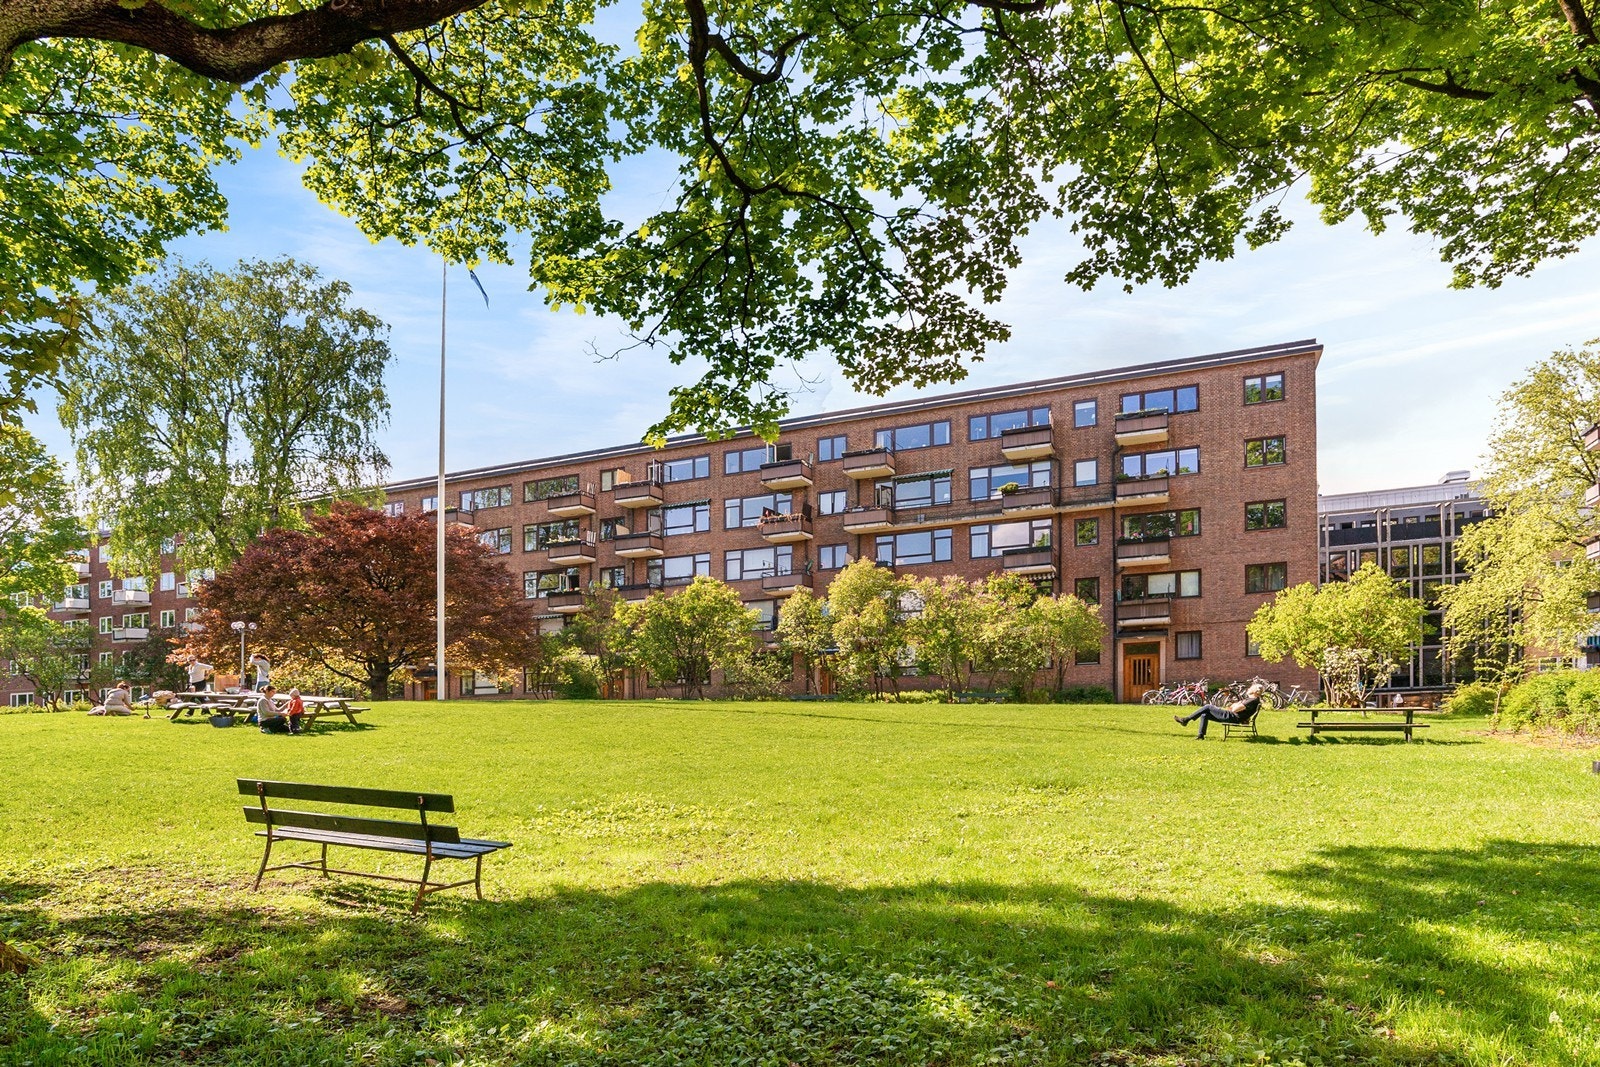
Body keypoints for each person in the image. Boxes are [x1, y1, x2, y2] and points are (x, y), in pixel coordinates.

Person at [1174, 682, 1264, 740]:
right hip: (1233, 716)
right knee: (1204, 714)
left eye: (1251, 688)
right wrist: (1235, 705)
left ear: (1254, 691)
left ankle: (1186, 720)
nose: (1249, 689)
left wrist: (1235, 705)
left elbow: (1235, 709)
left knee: (1208, 706)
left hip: (1232, 717)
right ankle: (1200, 735)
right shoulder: (1253, 700)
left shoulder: (1251, 700)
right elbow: (1235, 706)